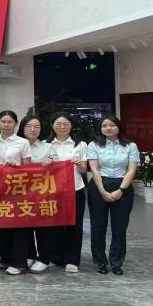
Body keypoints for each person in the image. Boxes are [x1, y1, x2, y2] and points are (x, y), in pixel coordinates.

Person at [87, 115, 139, 275]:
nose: (108, 128)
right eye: (104, 126)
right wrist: (102, 191)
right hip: (99, 185)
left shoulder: (130, 146)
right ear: (100, 128)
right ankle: (100, 262)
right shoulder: (94, 145)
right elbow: (94, 169)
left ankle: (116, 262)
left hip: (123, 186)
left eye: (111, 125)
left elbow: (131, 170)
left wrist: (121, 190)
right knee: (98, 226)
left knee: (119, 227)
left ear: (118, 127)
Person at [0, 110, 32, 275]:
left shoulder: (22, 142)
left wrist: (16, 167)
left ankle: (19, 262)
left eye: (10, 122)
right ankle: (5, 259)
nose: (6, 125)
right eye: (3, 122)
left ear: (16, 124)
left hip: (17, 188)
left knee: (18, 225)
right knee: (3, 223)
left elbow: (28, 168)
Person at [46, 112, 88, 273]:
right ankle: (55, 256)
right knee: (54, 224)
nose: (62, 127)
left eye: (66, 124)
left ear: (71, 126)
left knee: (74, 225)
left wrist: (80, 165)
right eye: (58, 124)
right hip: (53, 190)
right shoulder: (46, 145)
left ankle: (72, 260)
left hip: (75, 188)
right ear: (52, 126)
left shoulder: (81, 145)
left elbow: (85, 169)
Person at [17, 115, 55, 274]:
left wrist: (50, 161)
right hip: (20, 192)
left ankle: (44, 258)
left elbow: (58, 167)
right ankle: (29, 255)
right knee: (24, 225)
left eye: (37, 127)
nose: (33, 130)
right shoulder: (16, 144)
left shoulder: (48, 147)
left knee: (43, 226)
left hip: (42, 192)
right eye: (28, 126)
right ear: (22, 127)